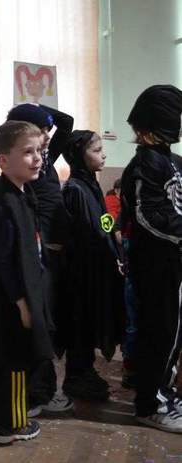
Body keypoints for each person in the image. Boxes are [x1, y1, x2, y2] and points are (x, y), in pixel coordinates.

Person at [0, 121, 53, 444]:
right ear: (3, 159)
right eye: (27, 152)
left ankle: (13, 417)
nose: (37, 158)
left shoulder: (22, 193)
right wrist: (21, 302)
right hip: (12, 301)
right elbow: (3, 261)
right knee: (13, 362)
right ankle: (7, 424)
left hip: (26, 294)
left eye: (39, 151)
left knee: (23, 357)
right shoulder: (5, 202)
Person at [120, 84, 182, 433]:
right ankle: (151, 404)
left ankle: (165, 394)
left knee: (172, 334)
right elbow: (148, 215)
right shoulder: (146, 163)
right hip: (155, 265)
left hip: (173, 263)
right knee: (159, 332)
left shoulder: (172, 161)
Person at [6, 103, 74, 416]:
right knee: (39, 324)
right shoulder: (24, 164)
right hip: (39, 251)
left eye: (47, 131)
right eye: (40, 130)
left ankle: (42, 390)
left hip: (53, 251)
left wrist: (37, 107)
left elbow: (66, 122)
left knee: (50, 321)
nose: (47, 136)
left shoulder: (43, 158)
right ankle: (36, 394)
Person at [60, 130, 124, 401]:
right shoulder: (75, 189)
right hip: (83, 273)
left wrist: (115, 247)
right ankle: (77, 376)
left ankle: (85, 371)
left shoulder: (91, 186)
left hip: (98, 267)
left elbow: (103, 223)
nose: (103, 155)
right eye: (96, 150)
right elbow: (87, 233)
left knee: (89, 323)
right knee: (80, 323)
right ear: (78, 155)